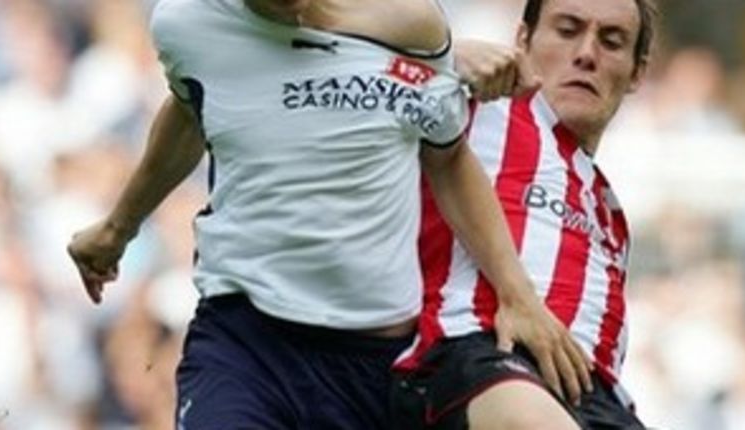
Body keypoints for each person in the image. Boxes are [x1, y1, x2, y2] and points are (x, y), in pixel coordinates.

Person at [67, 0, 590, 428]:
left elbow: (448, 156)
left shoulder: (411, 24)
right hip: (245, 339)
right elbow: (190, 106)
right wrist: (119, 228)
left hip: (373, 361)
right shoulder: (188, 24)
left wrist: (517, 295)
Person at [391, 0, 658, 428]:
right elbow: (338, 54)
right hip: (481, 358)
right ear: (522, 40)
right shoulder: (473, 110)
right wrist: (446, 56)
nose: (587, 53)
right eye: (568, 30)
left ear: (637, 72)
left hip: (597, 397)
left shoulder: (609, 212)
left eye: (611, 41)